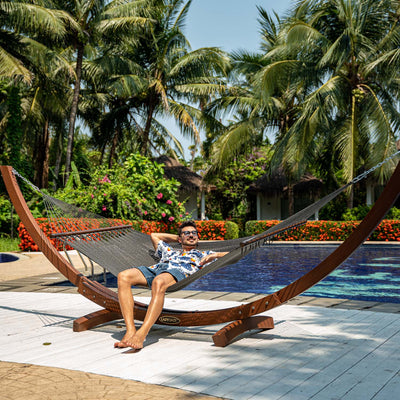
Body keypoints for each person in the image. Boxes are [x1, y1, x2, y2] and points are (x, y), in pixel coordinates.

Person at [114, 220, 228, 349]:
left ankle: (141, 334)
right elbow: (154, 235)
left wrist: (216, 255)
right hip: (156, 269)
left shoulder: (204, 254)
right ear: (179, 239)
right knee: (123, 276)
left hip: (178, 272)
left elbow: (234, 255)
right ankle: (130, 331)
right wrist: (181, 238)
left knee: (158, 282)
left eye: (194, 233)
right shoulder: (169, 250)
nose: (191, 235)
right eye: (187, 233)